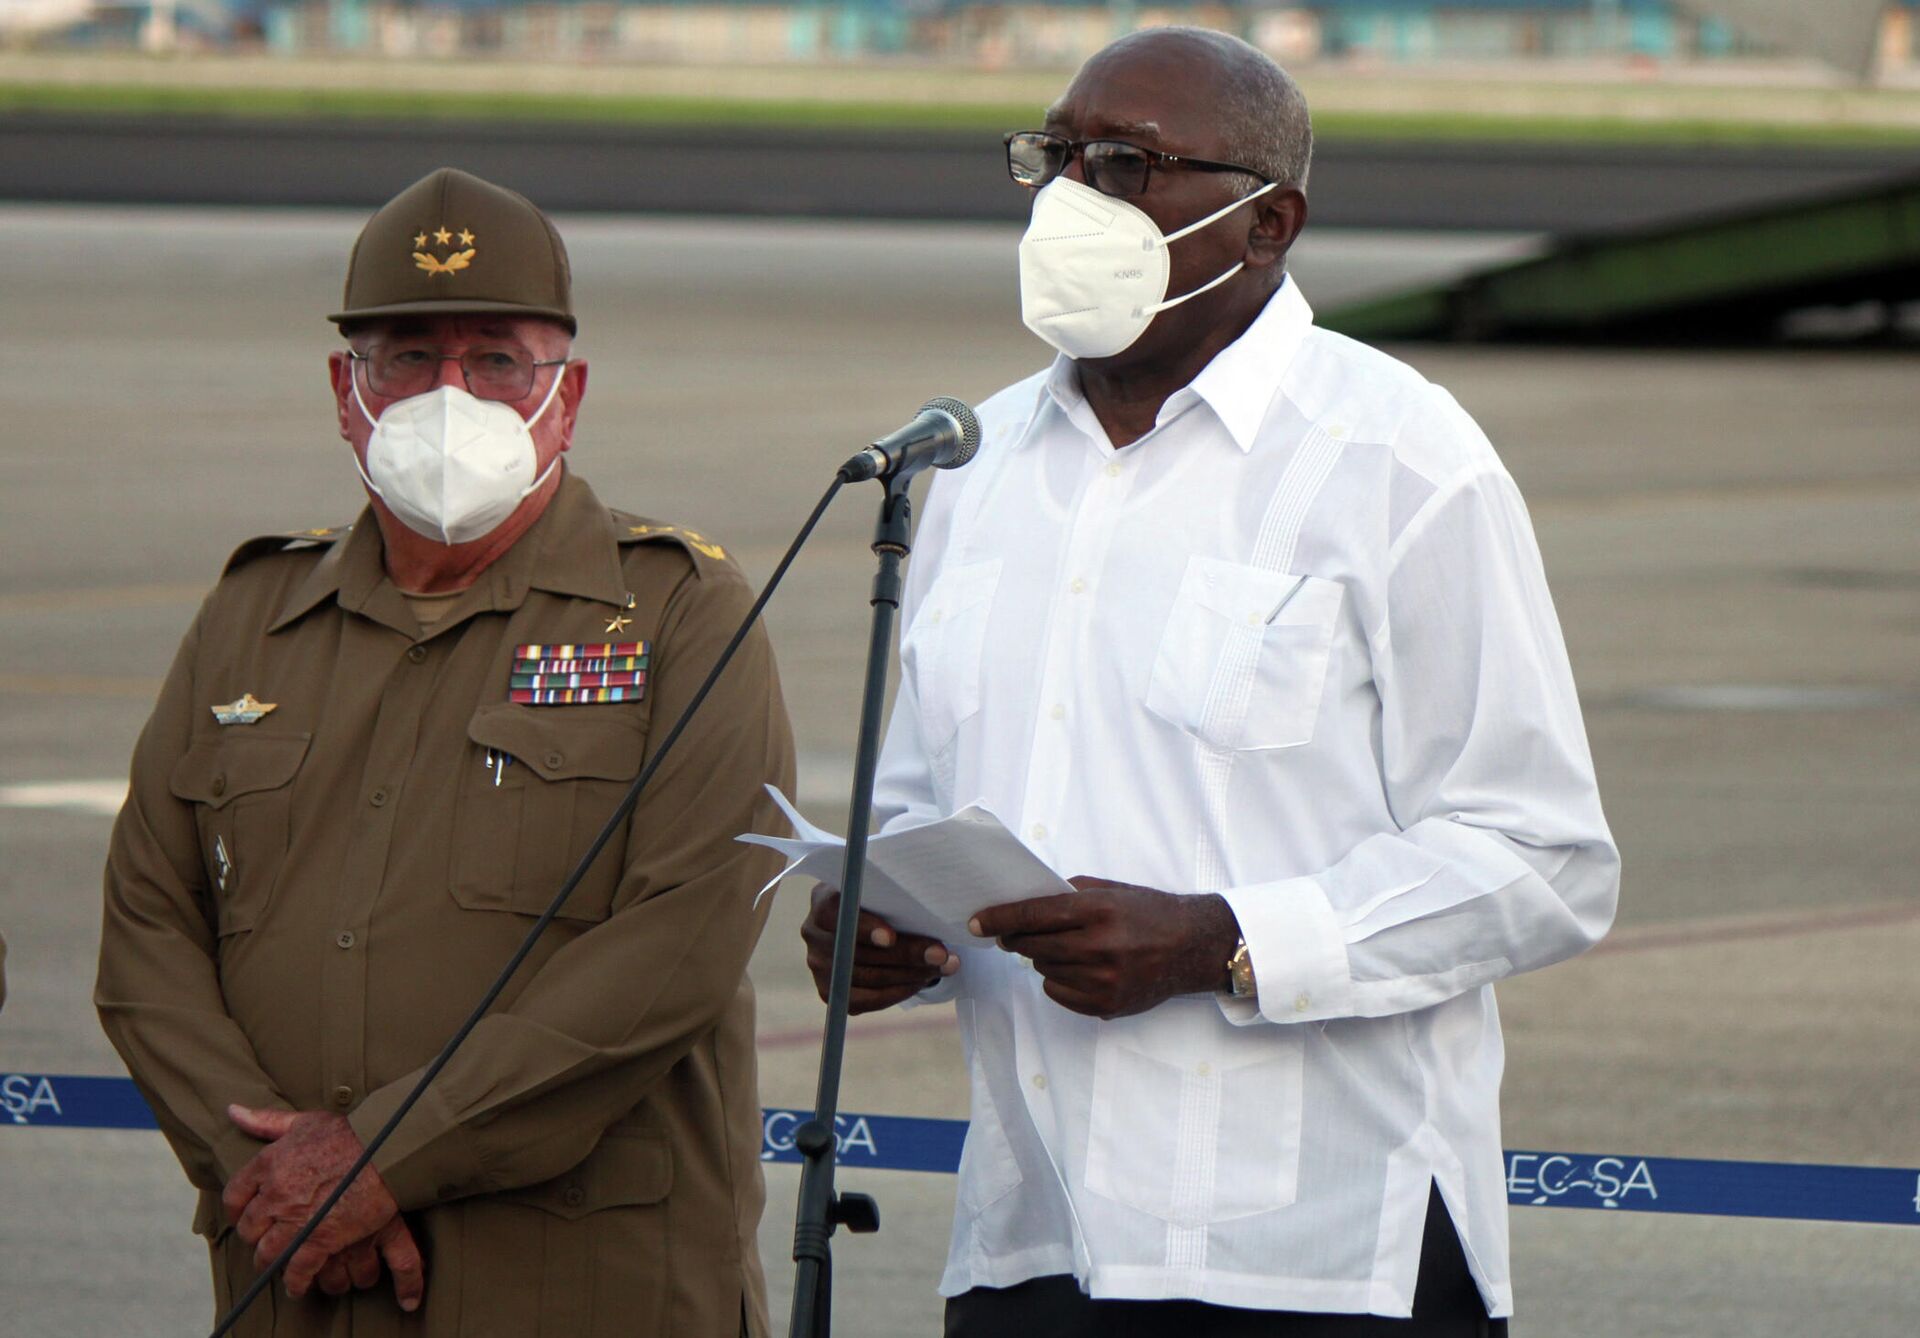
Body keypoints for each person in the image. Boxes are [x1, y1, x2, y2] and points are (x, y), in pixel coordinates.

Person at [803, 28, 1618, 1336]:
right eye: (1055, 158)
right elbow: (923, 810)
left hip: (1318, 1250)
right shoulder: (972, 459)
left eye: (1126, 166)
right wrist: (886, 929)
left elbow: (1544, 859)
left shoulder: (1399, 458)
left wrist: (1227, 940)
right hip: (1034, 1238)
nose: (1073, 200)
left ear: (1267, 222)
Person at [98, 167, 795, 1337]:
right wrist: (269, 1176)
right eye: (406, 358)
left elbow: (680, 942)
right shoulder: (250, 613)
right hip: (301, 1282)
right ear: (344, 390)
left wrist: (380, 1157)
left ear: (566, 397)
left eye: (496, 362)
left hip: (582, 1284)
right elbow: (148, 932)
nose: (448, 395)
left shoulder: (680, 611)